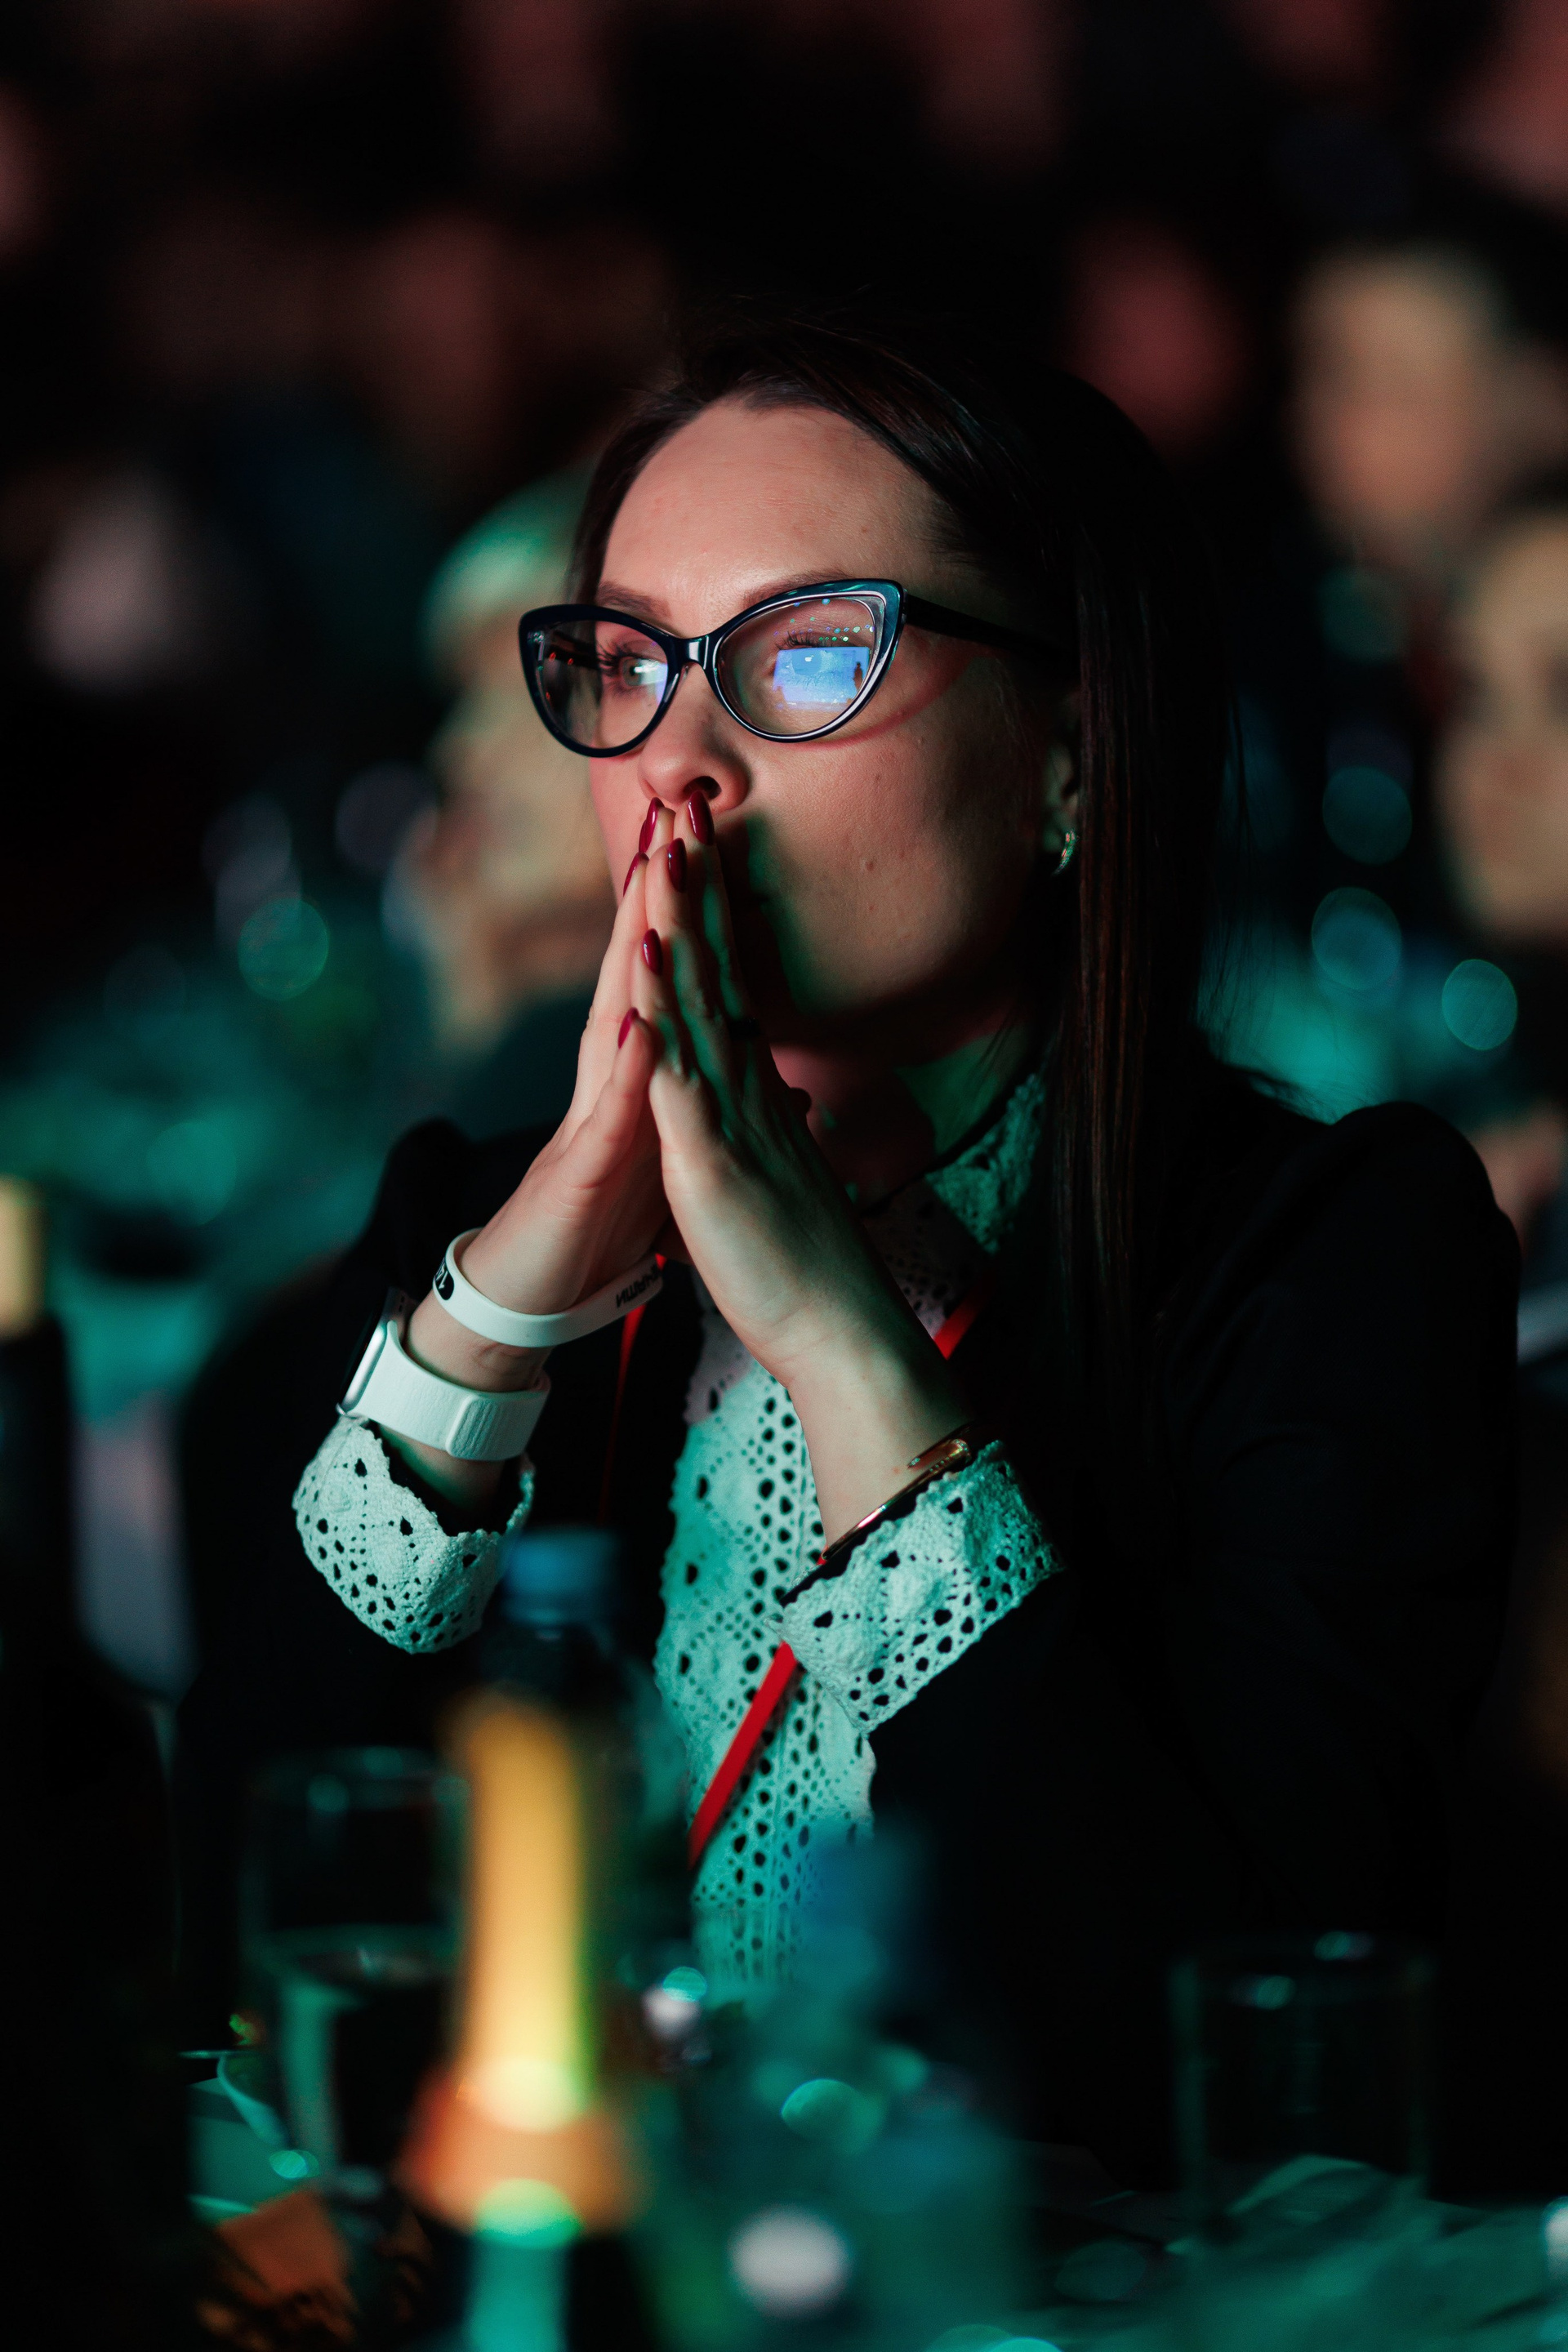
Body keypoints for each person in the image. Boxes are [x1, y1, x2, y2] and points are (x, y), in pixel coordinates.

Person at [176, 310, 1517, 2189]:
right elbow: (232, 1957)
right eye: (626, 664)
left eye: (809, 655)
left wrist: (840, 1337)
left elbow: (1214, 2077)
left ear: (1070, 754)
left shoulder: (1328, 1260)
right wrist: (496, 1320)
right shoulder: (478, 1224)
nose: (679, 764)